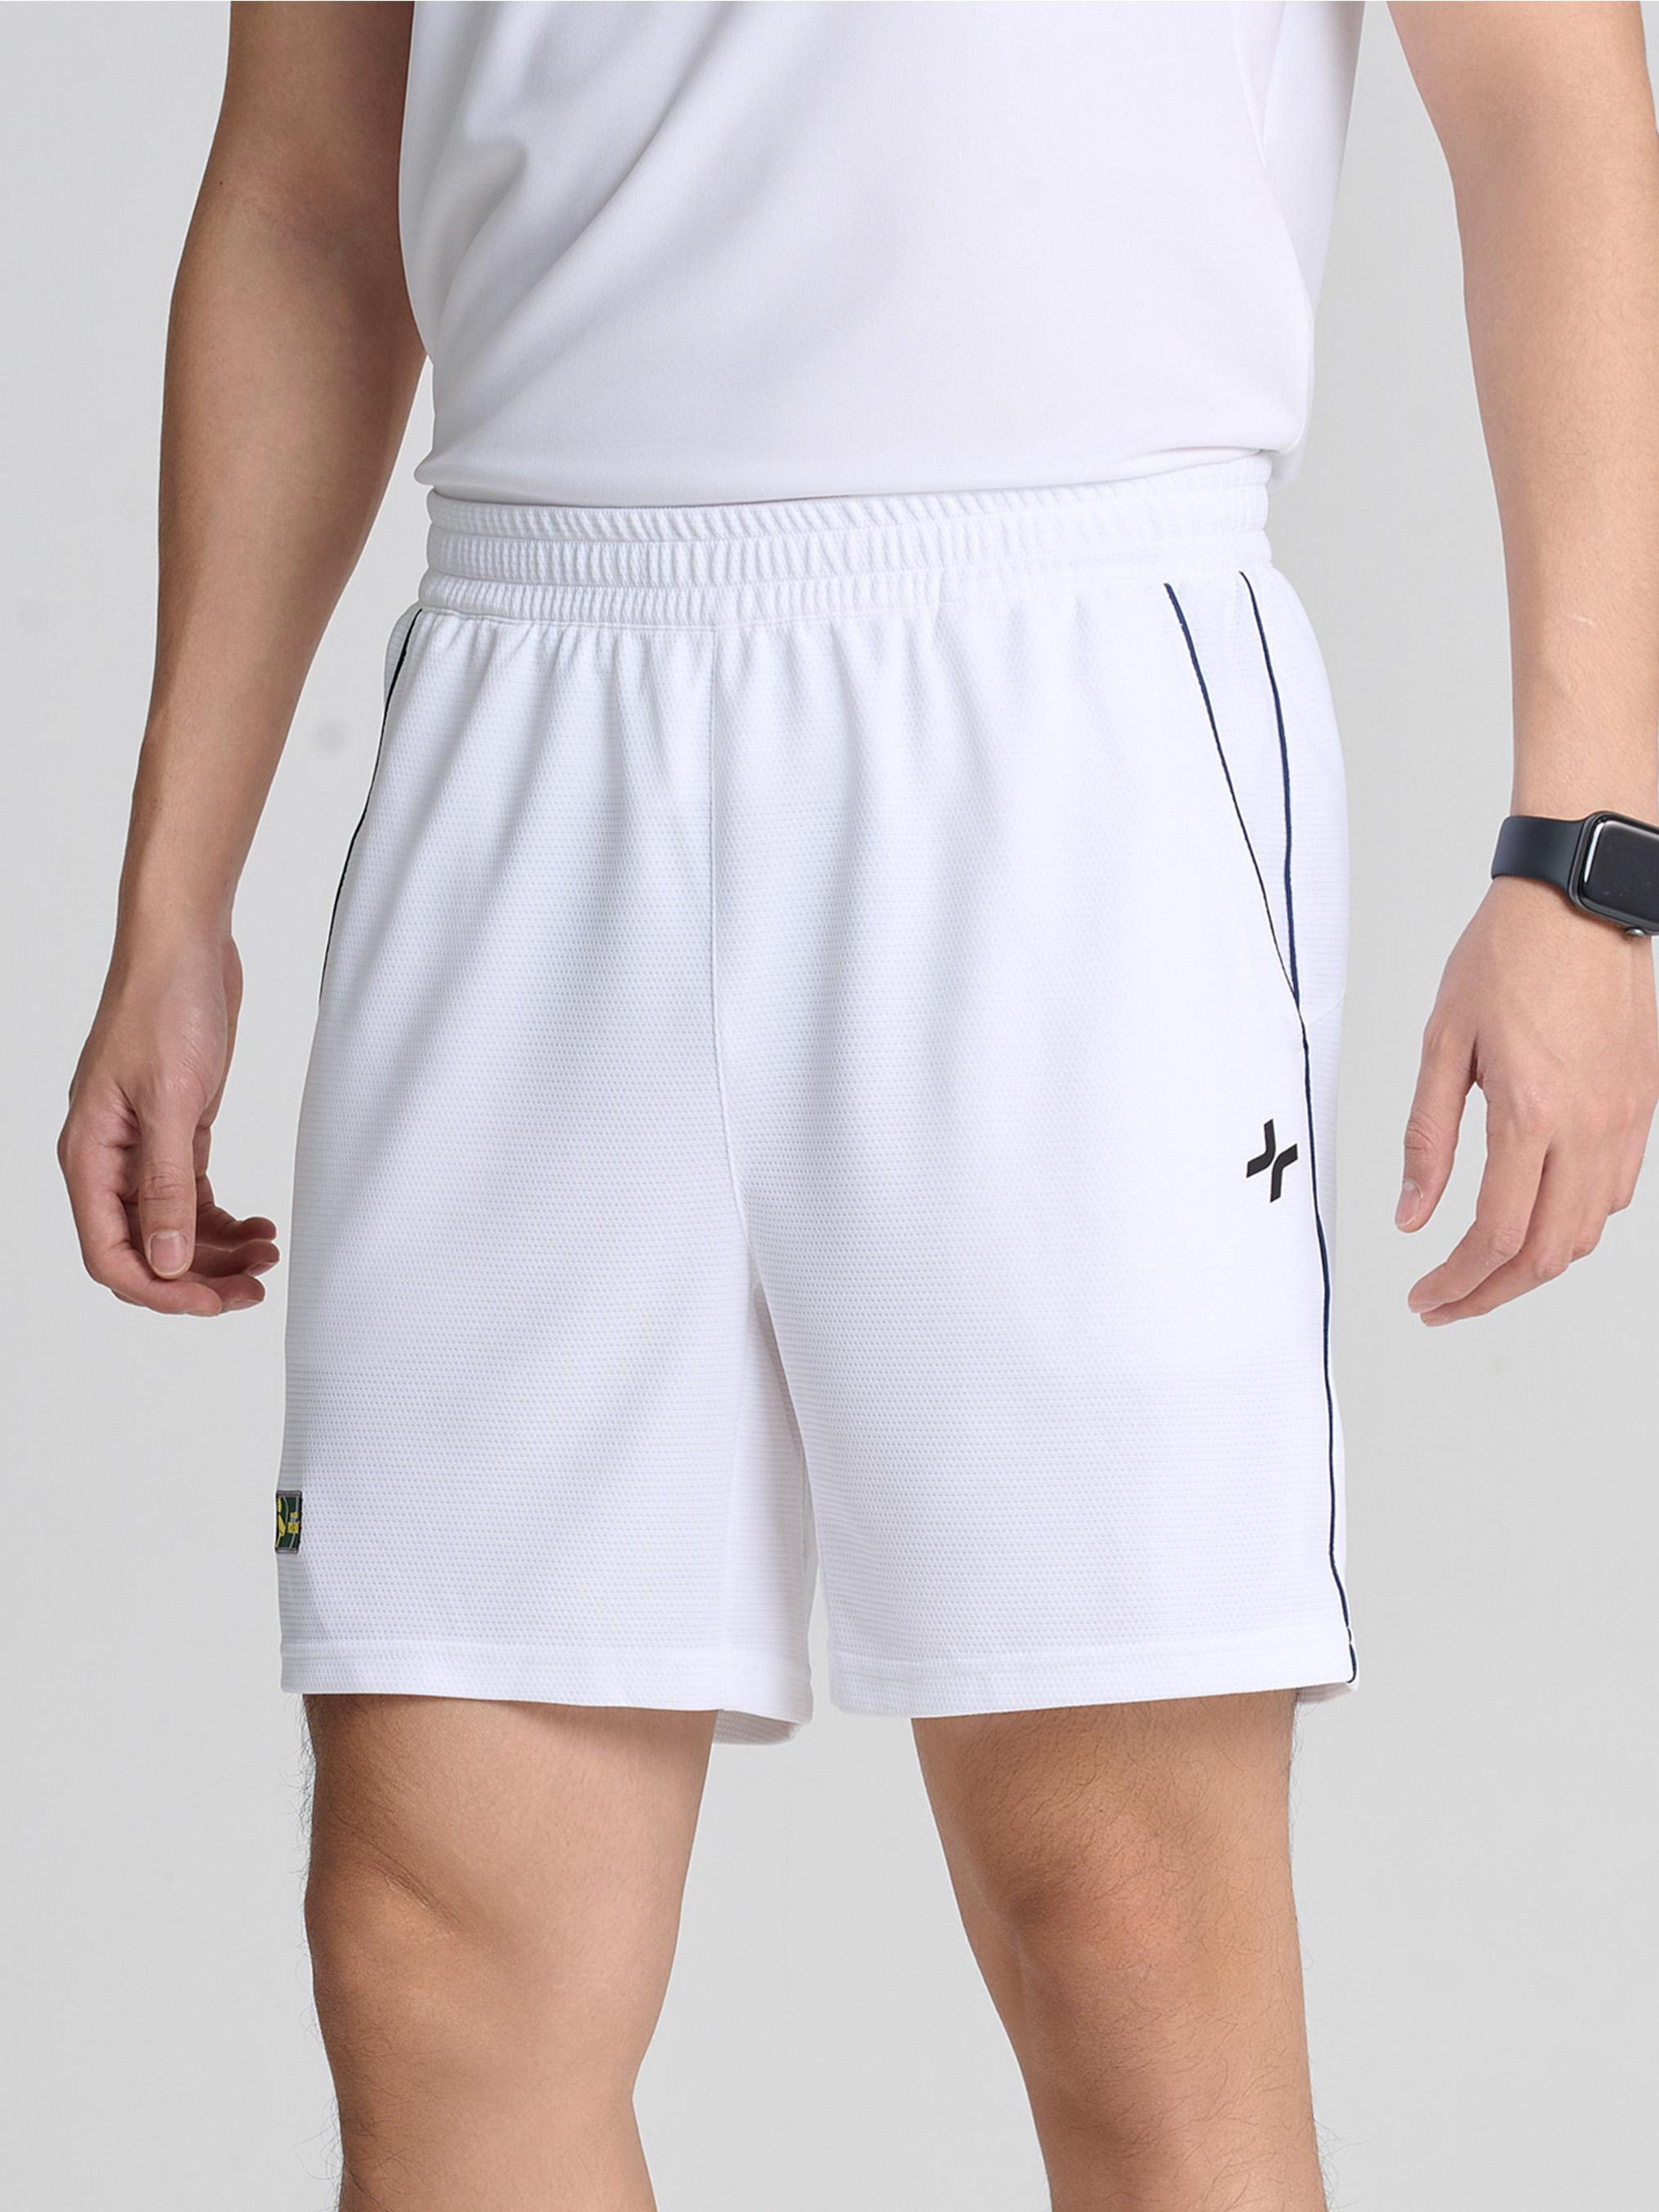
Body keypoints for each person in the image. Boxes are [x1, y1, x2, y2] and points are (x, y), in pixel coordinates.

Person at [57, 5, 1659, 2208]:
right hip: (529, 701)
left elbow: (1550, 95)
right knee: (430, 1959)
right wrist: (177, 891)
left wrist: (1591, 852)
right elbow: (312, 192)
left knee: (1126, 1928)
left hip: (1061, 691)